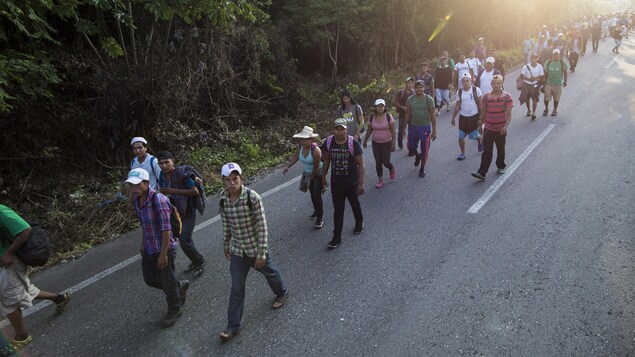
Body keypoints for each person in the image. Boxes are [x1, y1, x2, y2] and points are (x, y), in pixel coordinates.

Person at [219, 162, 288, 342]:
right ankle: (232, 326)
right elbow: (226, 224)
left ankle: (281, 292)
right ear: (223, 182)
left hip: (255, 248)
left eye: (235, 179)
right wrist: (226, 244)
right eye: (228, 180)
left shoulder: (252, 197)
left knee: (270, 273)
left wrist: (261, 253)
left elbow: (263, 227)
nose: (232, 183)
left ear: (241, 178)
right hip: (237, 252)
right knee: (236, 288)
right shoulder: (223, 199)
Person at [0, 205, 71, 355]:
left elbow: (25, 229)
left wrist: (8, 253)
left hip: (9, 262)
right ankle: (59, 298)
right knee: (22, 290)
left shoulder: (0, 211)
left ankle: (22, 336)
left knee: (8, 299)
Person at [127, 168, 188, 328]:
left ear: (146, 183)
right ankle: (178, 286)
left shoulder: (158, 200)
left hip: (164, 248)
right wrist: (142, 243)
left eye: (137, 184)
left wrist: (163, 254)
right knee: (150, 279)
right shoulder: (136, 200)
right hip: (149, 247)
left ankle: (175, 308)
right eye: (131, 185)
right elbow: (144, 224)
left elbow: (166, 228)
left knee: (167, 281)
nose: (134, 188)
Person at [157, 151, 206, 277]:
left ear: (172, 162)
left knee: (184, 240)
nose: (164, 165)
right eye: (161, 163)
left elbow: (194, 191)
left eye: (166, 162)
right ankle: (196, 260)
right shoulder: (162, 176)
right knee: (185, 239)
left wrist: (173, 191)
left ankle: (199, 261)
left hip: (188, 211)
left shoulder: (182, 174)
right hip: (175, 212)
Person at [321, 118, 365, 249]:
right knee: (338, 210)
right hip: (336, 182)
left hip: (351, 181)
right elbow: (327, 160)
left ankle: (359, 223)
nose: (339, 132)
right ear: (333, 129)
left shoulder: (353, 143)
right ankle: (337, 237)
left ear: (346, 130)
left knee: (354, 204)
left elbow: (361, 164)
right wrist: (323, 177)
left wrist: (361, 183)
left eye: (342, 129)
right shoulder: (329, 142)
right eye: (337, 129)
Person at [471, 75, 513, 180]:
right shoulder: (486, 97)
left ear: (502, 84)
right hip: (489, 128)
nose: (496, 85)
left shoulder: (507, 97)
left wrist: (506, 126)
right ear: (491, 84)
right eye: (494, 83)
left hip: (501, 128)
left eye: (498, 83)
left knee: (501, 149)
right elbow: (483, 112)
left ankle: (501, 166)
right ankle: (482, 172)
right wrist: (481, 124)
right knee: (487, 151)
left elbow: (509, 113)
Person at [283, 126, 324, 228]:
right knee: (312, 194)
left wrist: (311, 178)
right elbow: (296, 157)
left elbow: (315, 167)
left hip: (318, 173)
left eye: (306, 139)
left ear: (311, 140)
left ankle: (320, 218)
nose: (304, 141)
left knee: (316, 194)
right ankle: (316, 211)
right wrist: (288, 166)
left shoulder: (316, 150)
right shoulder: (300, 146)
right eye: (302, 139)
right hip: (307, 172)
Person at [406, 80, 436, 178]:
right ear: (414, 88)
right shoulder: (410, 99)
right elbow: (408, 114)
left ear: (424, 88)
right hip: (413, 126)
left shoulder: (429, 99)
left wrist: (434, 131)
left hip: (425, 127)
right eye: (417, 87)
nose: (419, 89)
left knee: (425, 150)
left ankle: (422, 168)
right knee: (411, 147)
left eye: (421, 87)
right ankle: (417, 155)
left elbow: (433, 115)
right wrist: (403, 128)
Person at [363, 99, 396, 189]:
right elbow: (369, 129)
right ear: (375, 107)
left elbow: (393, 131)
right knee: (378, 162)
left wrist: (393, 142)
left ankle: (391, 168)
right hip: (375, 143)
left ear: (384, 107)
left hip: (387, 142)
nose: (380, 108)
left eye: (382, 106)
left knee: (385, 161)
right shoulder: (371, 117)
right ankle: (380, 180)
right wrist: (365, 140)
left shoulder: (388, 116)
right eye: (378, 106)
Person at [451, 75, 483, 161]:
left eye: (467, 80)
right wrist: (453, 118)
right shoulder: (459, 92)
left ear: (471, 81)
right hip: (463, 117)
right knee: (461, 137)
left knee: (473, 136)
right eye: (464, 81)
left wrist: (482, 117)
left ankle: (480, 140)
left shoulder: (476, 90)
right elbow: (457, 105)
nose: (465, 82)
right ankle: (462, 153)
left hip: (474, 117)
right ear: (462, 82)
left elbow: (480, 104)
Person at [543, 49, 568, 117]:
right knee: (546, 98)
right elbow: (544, 71)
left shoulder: (562, 62)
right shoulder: (548, 62)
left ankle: (555, 110)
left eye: (557, 54)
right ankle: (546, 108)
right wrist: (543, 80)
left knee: (556, 98)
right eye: (554, 54)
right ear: (552, 55)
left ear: (559, 55)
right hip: (548, 83)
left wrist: (565, 81)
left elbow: (565, 72)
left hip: (558, 83)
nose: (556, 56)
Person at [519, 54, 544, 120]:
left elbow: (541, 75)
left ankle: (534, 113)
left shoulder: (539, 66)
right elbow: (521, 75)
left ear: (537, 59)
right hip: (527, 84)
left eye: (536, 58)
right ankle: (529, 110)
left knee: (535, 99)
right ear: (531, 59)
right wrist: (529, 79)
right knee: (527, 99)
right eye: (533, 58)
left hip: (535, 84)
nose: (534, 59)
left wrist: (536, 78)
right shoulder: (526, 67)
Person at [393, 77, 415, 150]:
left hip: (412, 115)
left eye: (412, 83)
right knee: (401, 129)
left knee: (412, 130)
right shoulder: (400, 92)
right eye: (409, 83)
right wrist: (403, 108)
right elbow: (395, 103)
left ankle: (411, 144)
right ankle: (400, 141)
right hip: (402, 114)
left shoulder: (414, 92)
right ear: (406, 84)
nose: (410, 85)